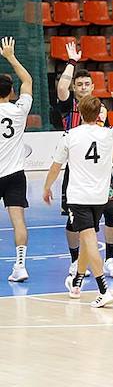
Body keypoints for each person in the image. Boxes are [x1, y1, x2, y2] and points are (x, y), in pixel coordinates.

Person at [42, 87, 113, 307]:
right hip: (100, 198)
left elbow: (56, 167)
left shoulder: (71, 136)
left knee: (90, 241)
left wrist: (46, 187)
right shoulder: (109, 134)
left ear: (81, 114)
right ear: (99, 114)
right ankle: (77, 282)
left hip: (79, 198)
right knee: (87, 240)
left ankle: (103, 289)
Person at [50, 40, 113, 281]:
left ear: (92, 86)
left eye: (86, 84)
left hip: (103, 171)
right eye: (78, 84)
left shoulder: (100, 109)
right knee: (74, 221)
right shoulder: (68, 104)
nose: (82, 87)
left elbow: (110, 139)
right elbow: (61, 86)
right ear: (75, 87)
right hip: (76, 171)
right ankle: (75, 262)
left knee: (112, 214)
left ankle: (110, 259)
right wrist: (72, 62)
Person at [0, 38, 34, 283]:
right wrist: (10, 56)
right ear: (10, 92)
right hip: (14, 174)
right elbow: (28, 81)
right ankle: (20, 266)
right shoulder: (20, 109)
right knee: (18, 221)